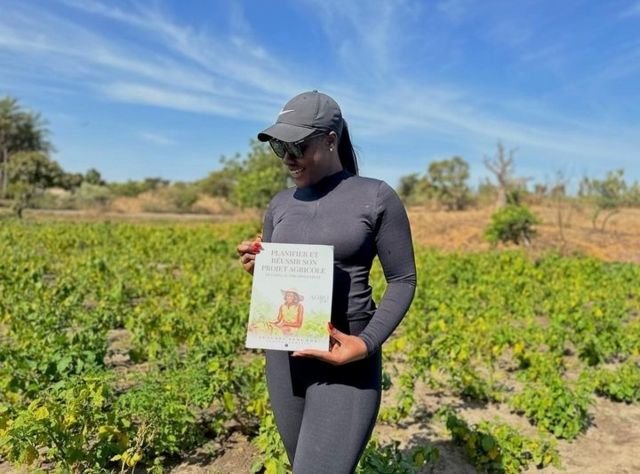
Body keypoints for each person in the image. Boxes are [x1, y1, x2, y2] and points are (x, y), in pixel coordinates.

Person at [236, 90, 416, 473]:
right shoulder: (280, 204)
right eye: (280, 146)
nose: (288, 157)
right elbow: (282, 285)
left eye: (297, 145)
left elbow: (403, 279)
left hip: (345, 362)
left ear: (331, 140)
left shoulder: (376, 197)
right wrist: (261, 267)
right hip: (284, 363)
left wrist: (365, 345)